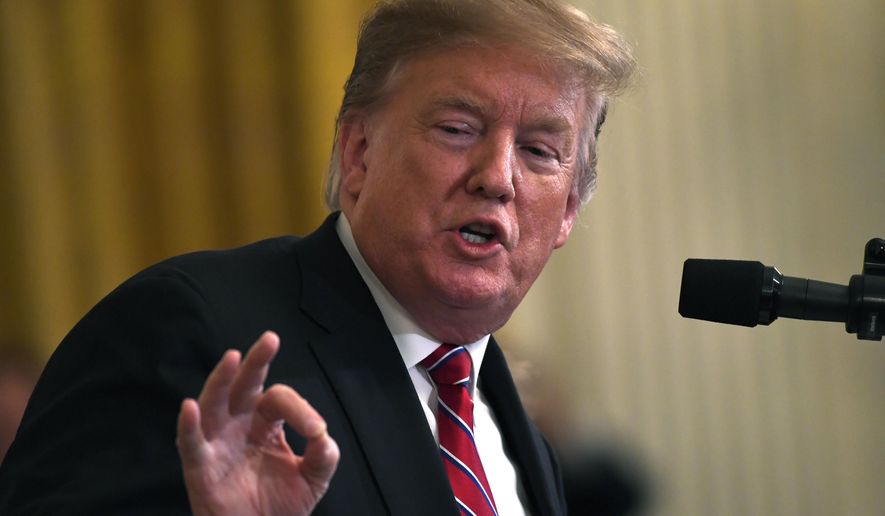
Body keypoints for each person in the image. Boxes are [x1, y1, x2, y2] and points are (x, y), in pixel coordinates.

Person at [0, 0, 634, 514]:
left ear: (569, 212)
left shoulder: (516, 429)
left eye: (540, 151)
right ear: (358, 153)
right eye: (457, 129)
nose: (496, 177)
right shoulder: (191, 333)